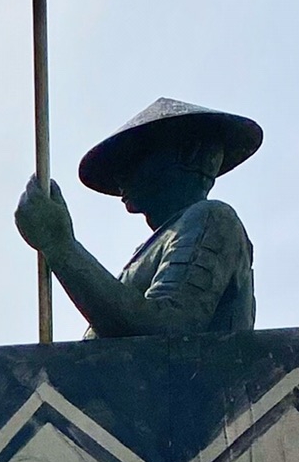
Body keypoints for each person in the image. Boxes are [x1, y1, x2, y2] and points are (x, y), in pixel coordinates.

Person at [15, 97, 261, 338]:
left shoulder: (212, 218)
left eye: (134, 157)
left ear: (190, 153)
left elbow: (167, 331)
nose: (120, 176)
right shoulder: (151, 249)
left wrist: (60, 246)